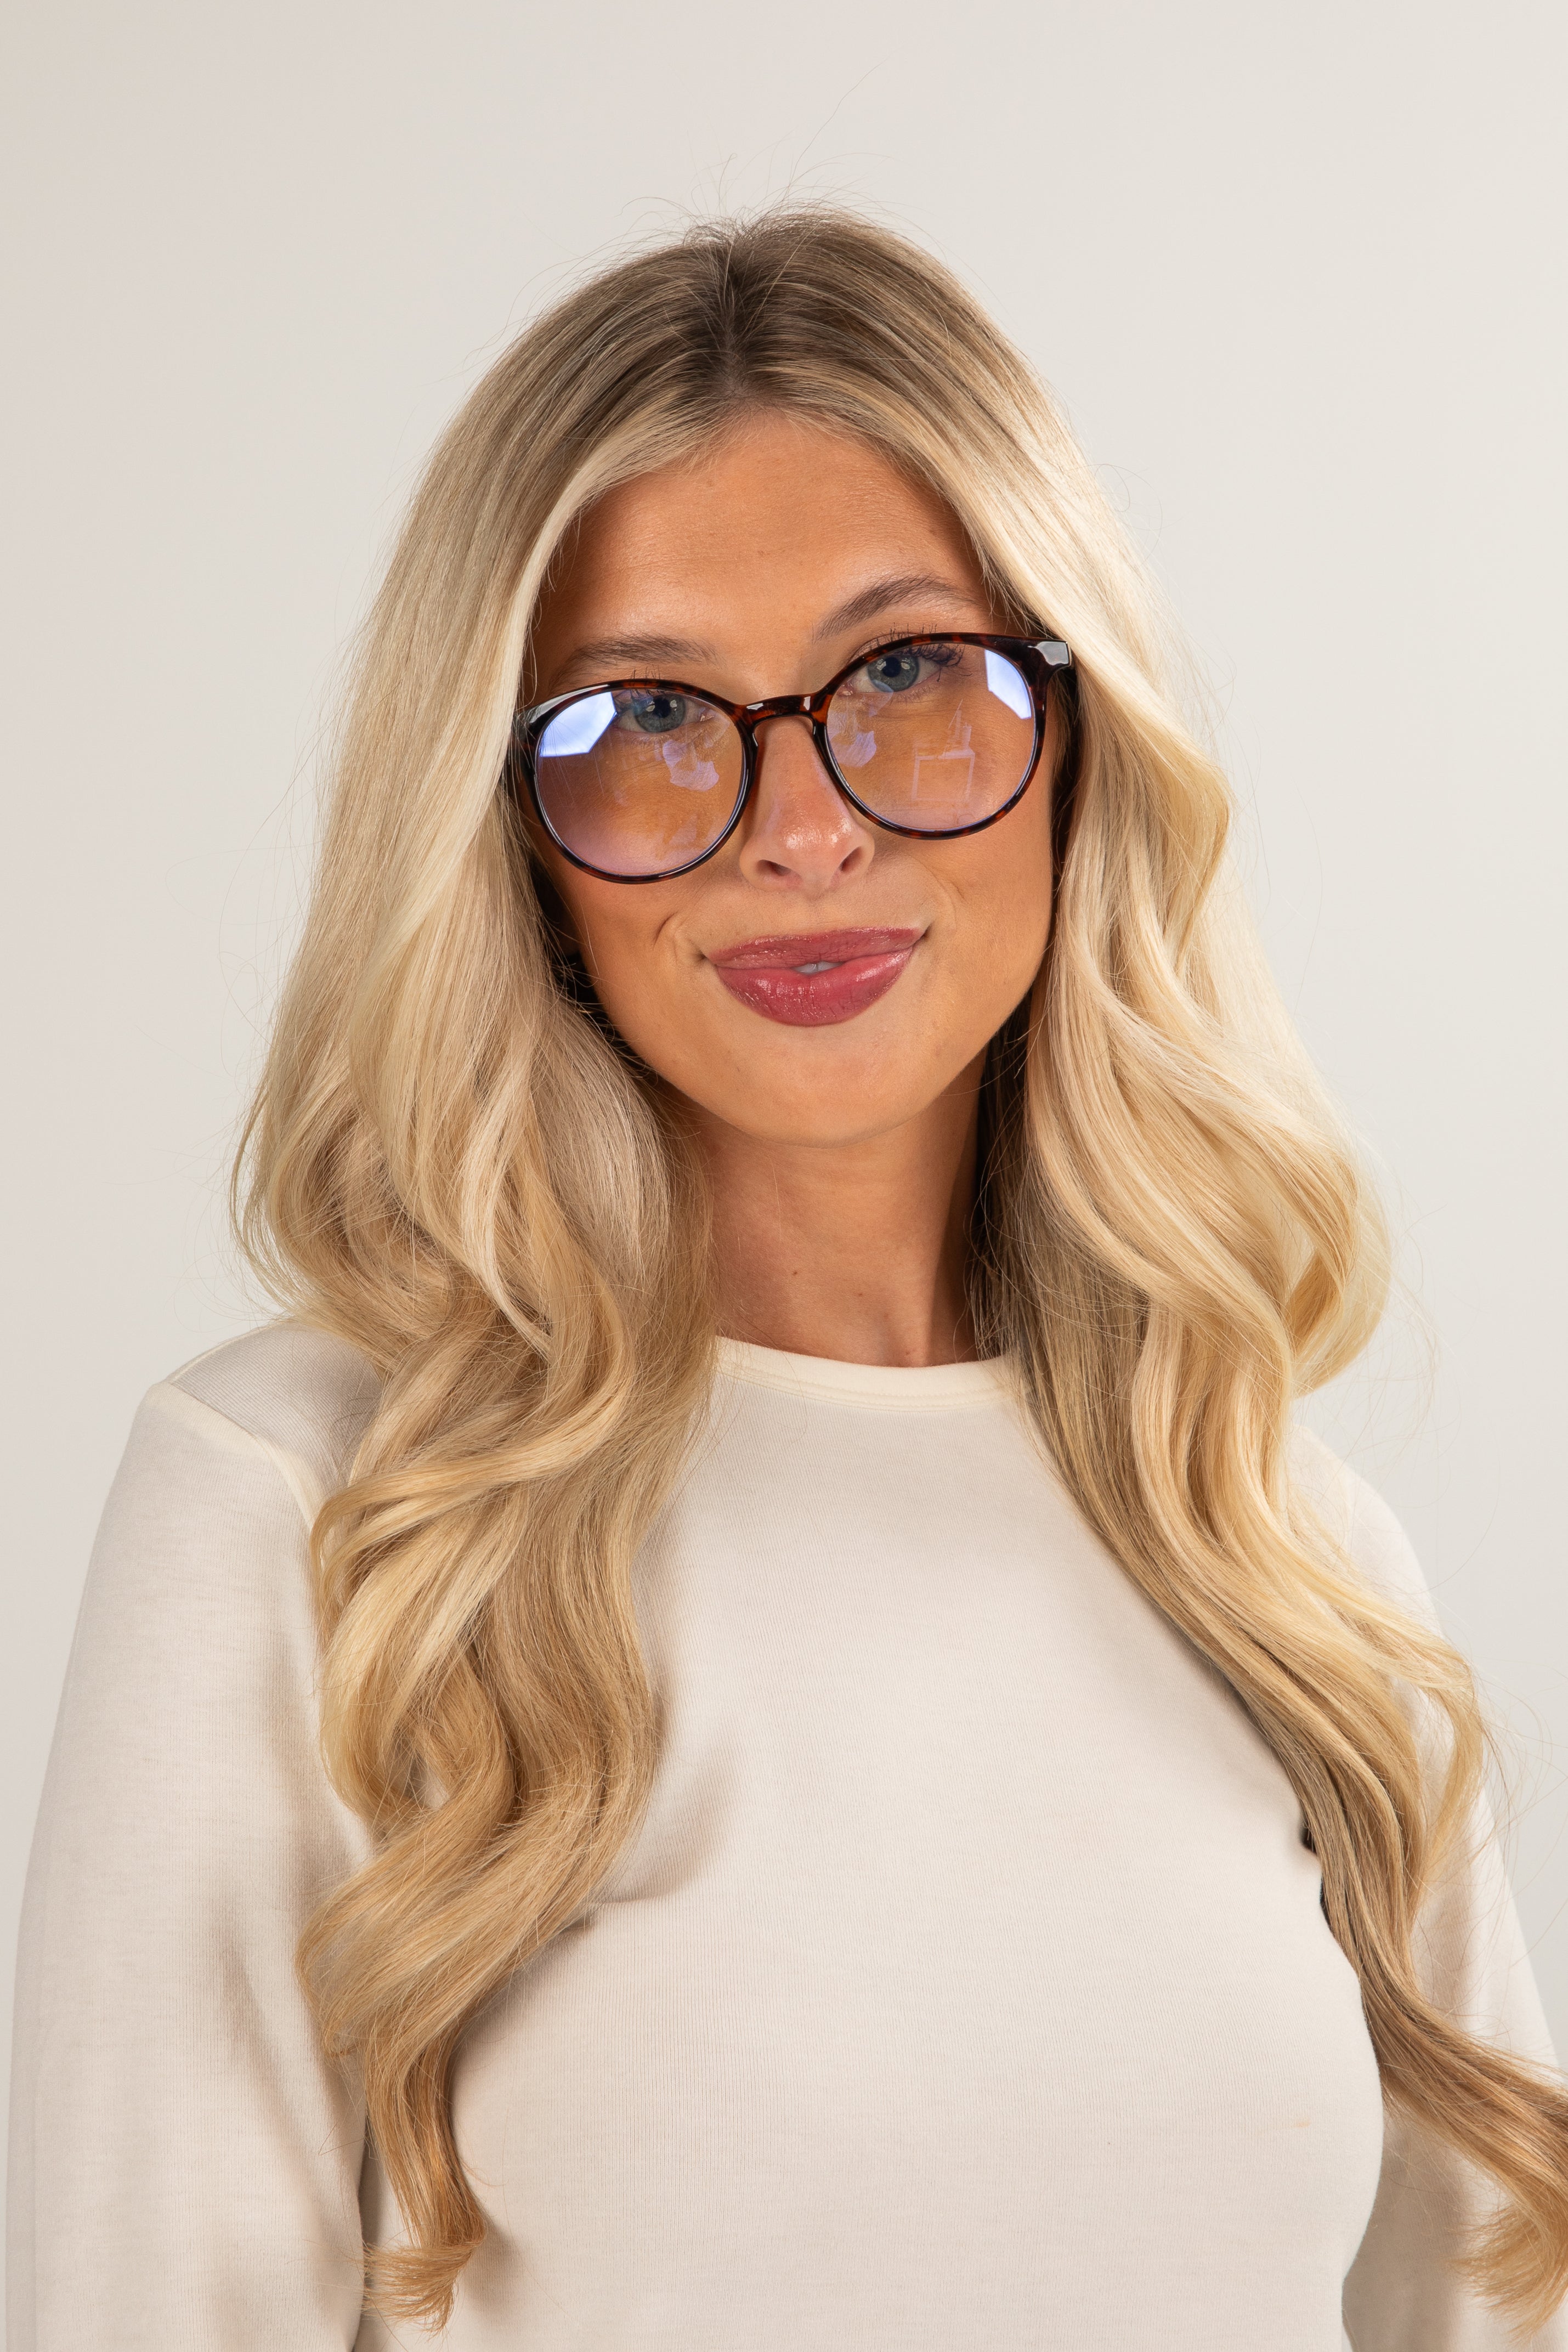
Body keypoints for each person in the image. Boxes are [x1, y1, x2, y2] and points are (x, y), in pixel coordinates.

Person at [8, 208, 1567, 2352]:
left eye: (906, 677)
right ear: (510, 837)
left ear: (1076, 727)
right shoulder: (311, 1508)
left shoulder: (1282, 1556)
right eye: (645, 715)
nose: (801, 827)